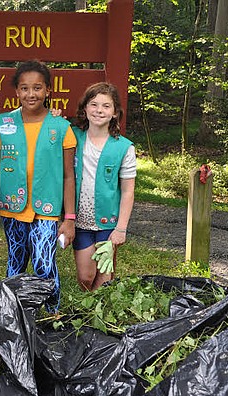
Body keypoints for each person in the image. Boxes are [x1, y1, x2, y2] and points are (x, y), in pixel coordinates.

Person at [0, 60, 77, 311]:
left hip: (47, 210)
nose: (31, 94)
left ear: (47, 90)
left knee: (44, 263)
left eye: (37, 88)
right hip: (13, 209)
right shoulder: (3, 126)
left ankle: (51, 315)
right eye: (24, 88)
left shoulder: (61, 127)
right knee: (15, 263)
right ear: (16, 91)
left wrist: (69, 218)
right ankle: (15, 316)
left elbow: (69, 175)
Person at [70, 82, 136, 290]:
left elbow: (127, 191)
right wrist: (54, 116)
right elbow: (50, 129)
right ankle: (89, 301)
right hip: (80, 220)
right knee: (86, 276)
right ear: (85, 109)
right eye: (94, 104)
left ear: (115, 112)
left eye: (106, 106)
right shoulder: (72, 137)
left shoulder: (124, 147)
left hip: (108, 222)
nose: (99, 110)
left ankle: (97, 315)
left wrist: (121, 229)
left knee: (104, 275)